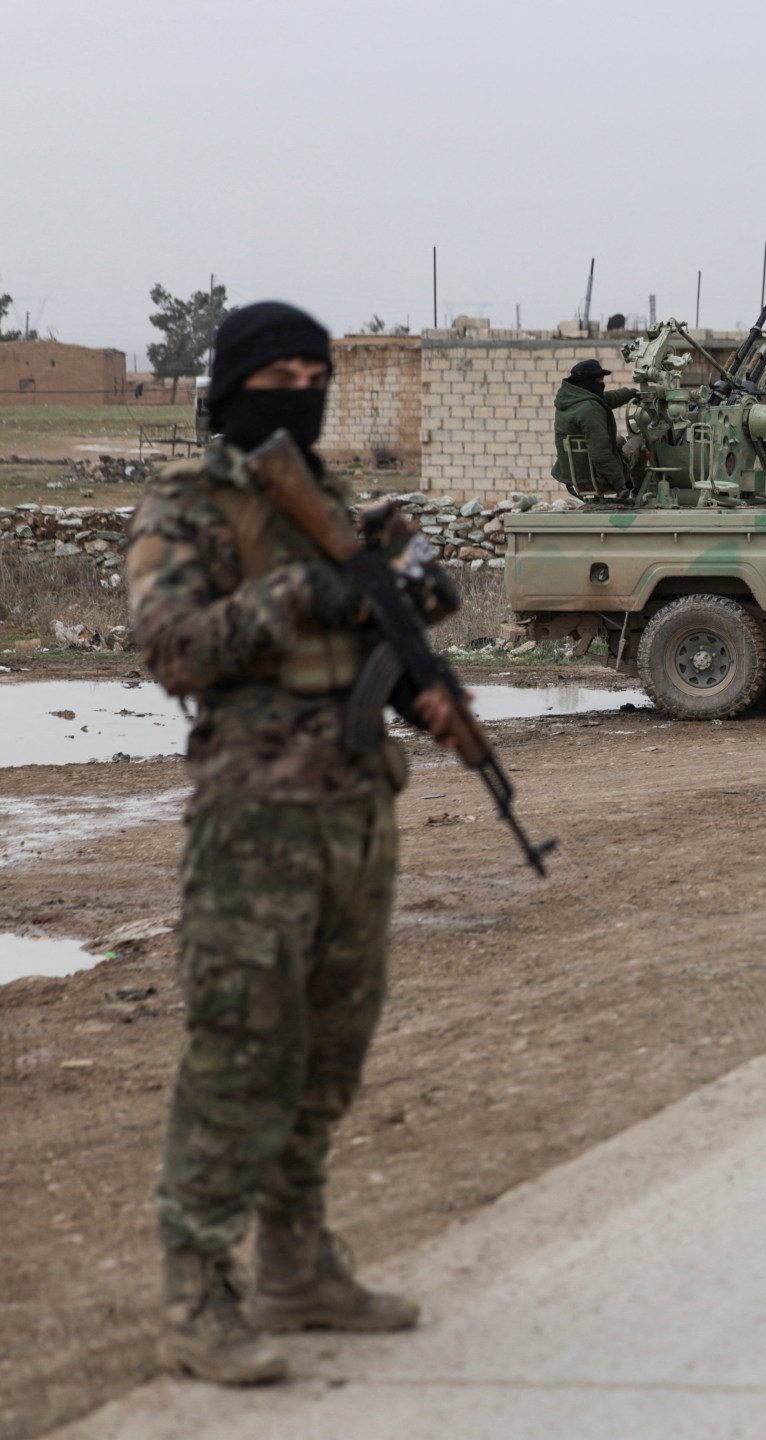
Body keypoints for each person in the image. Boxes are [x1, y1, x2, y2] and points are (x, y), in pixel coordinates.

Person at [126, 302, 461, 1385]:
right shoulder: (188, 504)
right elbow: (173, 649)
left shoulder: (334, 503)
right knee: (241, 1052)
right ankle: (194, 1297)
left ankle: (296, 1264)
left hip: (357, 813)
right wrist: (294, 592)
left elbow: (361, 643)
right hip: (254, 825)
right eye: (282, 379)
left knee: (327, 1056)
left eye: (319, 377)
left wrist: (418, 683)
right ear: (232, 389)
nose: (304, 395)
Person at [550, 359, 638, 500]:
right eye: (599, 380)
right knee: (638, 443)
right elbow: (600, 453)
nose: (602, 384)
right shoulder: (591, 409)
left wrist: (632, 394)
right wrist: (620, 485)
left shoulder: (571, 401)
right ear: (587, 382)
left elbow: (607, 398)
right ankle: (636, 490)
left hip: (576, 473)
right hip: (596, 477)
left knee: (619, 441)